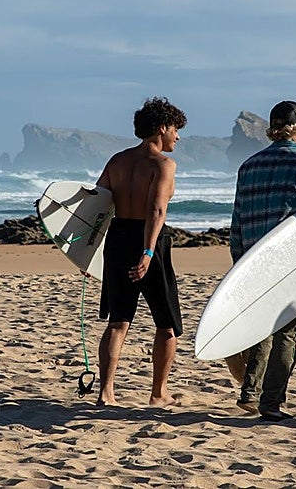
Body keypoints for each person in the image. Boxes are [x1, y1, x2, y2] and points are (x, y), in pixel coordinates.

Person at [230, 100, 296, 422]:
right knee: (288, 331)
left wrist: (239, 267)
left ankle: (250, 393)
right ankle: (271, 403)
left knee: (261, 327)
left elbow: (236, 224)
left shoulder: (248, 167)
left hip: (252, 261)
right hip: (291, 265)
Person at [93, 96, 187, 407]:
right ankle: (158, 393)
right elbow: (157, 210)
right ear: (162, 128)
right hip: (150, 241)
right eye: (175, 129)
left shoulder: (117, 161)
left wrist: (86, 251)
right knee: (167, 322)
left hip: (118, 238)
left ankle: (106, 393)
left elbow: (95, 207)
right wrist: (147, 253)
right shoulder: (163, 164)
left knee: (119, 321)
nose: (177, 136)